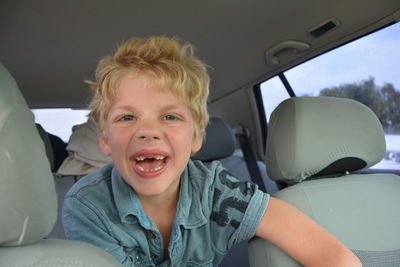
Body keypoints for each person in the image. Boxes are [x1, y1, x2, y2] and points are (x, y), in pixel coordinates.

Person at [62, 36, 361, 267]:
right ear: (104, 139)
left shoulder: (218, 190)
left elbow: (333, 255)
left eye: (170, 116)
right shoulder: (88, 205)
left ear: (196, 138)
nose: (147, 130)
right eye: (127, 117)